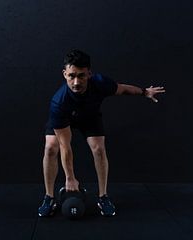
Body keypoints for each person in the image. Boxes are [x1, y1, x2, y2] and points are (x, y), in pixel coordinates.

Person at [38, 49, 165, 217]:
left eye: (81, 76)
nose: (76, 82)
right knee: (51, 148)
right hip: (64, 117)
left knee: (98, 149)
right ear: (64, 74)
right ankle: (49, 197)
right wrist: (70, 177)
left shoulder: (100, 83)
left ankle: (103, 197)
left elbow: (123, 89)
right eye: (71, 76)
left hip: (90, 117)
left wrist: (144, 92)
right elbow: (65, 145)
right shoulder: (58, 102)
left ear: (89, 74)